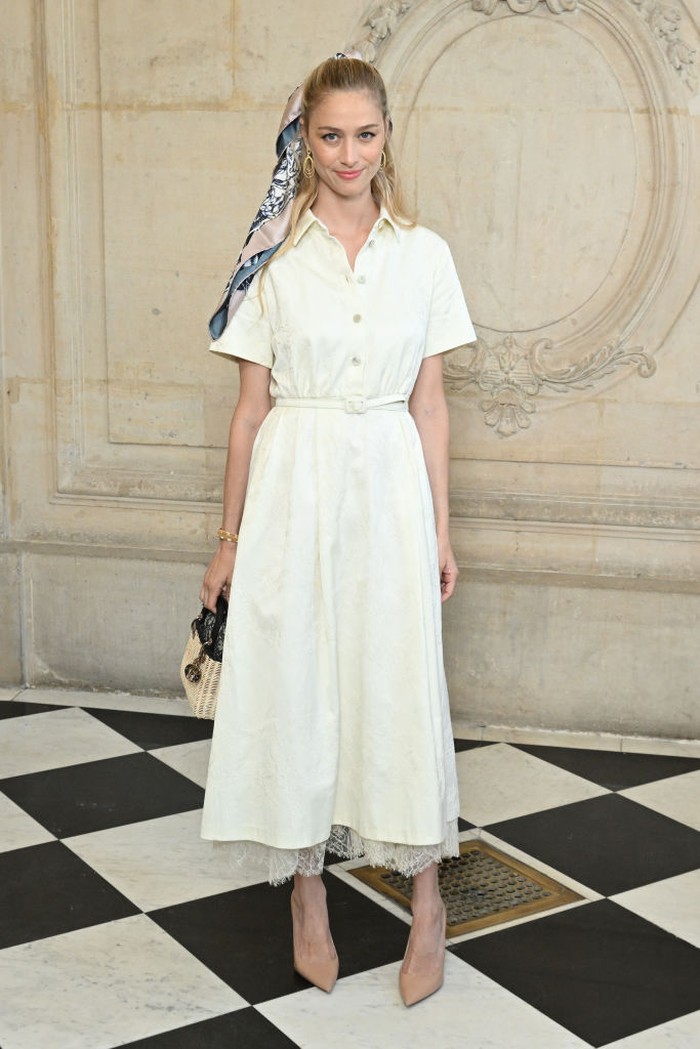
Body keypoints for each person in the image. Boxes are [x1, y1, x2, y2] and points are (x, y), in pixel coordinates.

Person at [199, 53, 476, 1007]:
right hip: (293, 487)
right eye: (330, 135)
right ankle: (307, 896)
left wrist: (442, 529)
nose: (349, 154)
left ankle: (428, 900)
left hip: (390, 483)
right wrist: (228, 541)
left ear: (387, 134)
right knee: (297, 682)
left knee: (398, 681)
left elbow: (432, 406)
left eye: (365, 133)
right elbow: (247, 411)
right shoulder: (270, 257)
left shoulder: (423, 253)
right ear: (303, 139)